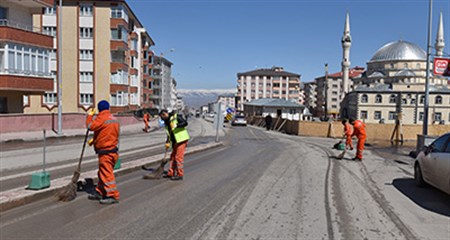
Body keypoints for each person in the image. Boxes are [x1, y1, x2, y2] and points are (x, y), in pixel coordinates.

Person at [86, 100, 120, 204]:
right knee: (102, 173)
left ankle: (112, 195)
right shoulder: (114, 119)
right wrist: (95, 140)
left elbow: (90, 126)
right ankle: (100, 191)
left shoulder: (102, 118)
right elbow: (108, 133)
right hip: (113, 150)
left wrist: (89, 116)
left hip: (106, 152)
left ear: (100, 109)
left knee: (106, 174)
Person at [159, 109, 190, 180]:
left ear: (165, 114)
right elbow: (169, 133)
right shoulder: (166, 123)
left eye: (162, 117)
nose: (162, 119)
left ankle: (180, 174)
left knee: (178, 157)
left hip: (181, 140)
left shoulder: (176, 117)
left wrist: (177, 125)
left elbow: (185, 123)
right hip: (175, 141)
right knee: (172, 157)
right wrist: (167, 141)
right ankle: (171, 172)